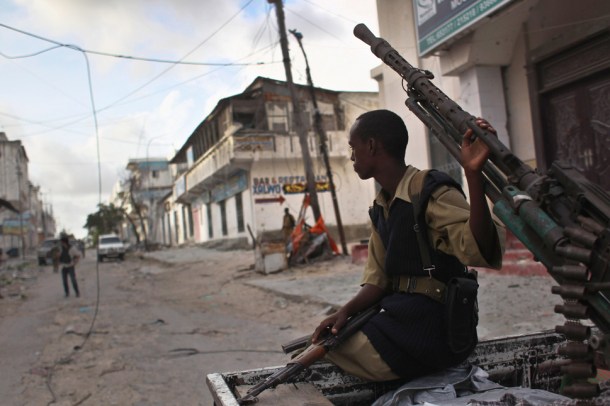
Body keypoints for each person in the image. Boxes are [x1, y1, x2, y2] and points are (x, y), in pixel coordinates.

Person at [311, 109, 505, 382]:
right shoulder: (380, 207)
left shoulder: (429, 190)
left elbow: (477, 248)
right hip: (399, 320)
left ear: (371, 145)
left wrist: (473, 175)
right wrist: (343, 312)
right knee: (325, 344)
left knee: (328, 353)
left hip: (433, 327)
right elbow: (377, 281)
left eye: (353, 148)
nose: (352, 157)